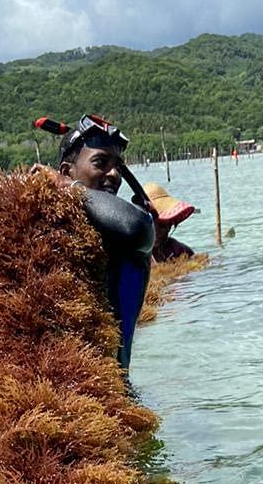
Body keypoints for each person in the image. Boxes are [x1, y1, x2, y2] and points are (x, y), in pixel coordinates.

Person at [34, 114, 155, 371]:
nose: (113, 174)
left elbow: (134, 227)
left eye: (117, 166)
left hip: (113, 391)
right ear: (68, 170)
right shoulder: (60, 233)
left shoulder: (129, 229)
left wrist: (68, 187)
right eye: (101, 163)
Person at [143, 183, 196, 263]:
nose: (158, 231)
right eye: (153, 225)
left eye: (163, 225)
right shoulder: (132, 255)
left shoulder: (179, 251)